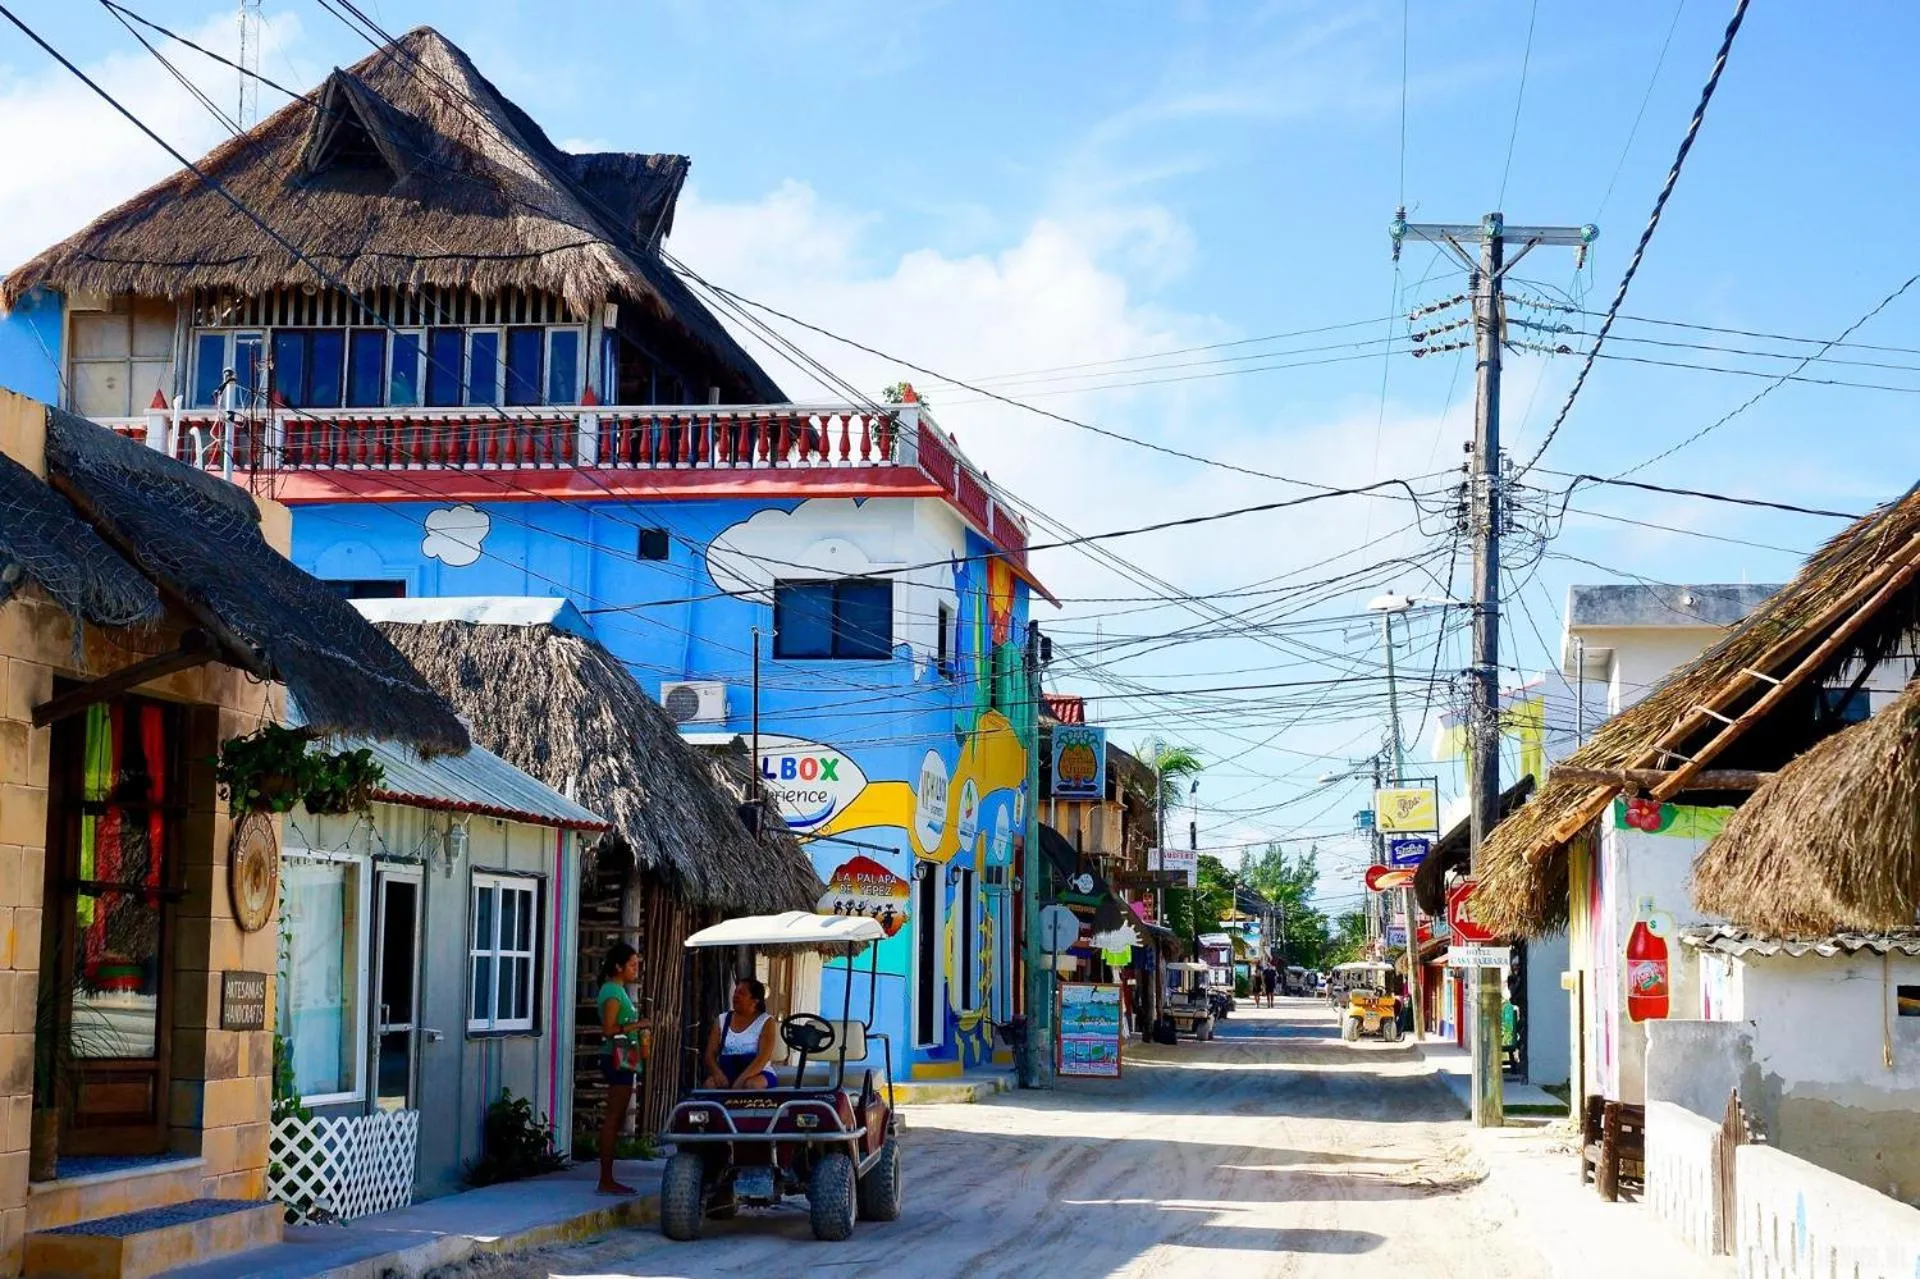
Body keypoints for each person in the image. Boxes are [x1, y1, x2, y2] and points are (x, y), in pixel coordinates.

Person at [595, 942, 649, 1196]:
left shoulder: (618, 990)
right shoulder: (613, 993)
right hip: (617, 1059)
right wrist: (638, 1026)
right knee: (613, 1120)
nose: (635, 968)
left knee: (614, 1119)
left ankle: (608, 1177)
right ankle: (606, 1179)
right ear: (618, 966)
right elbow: (608, 1030)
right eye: (631, 964)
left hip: (625, 1058)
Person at [703, 977, 778, 1090]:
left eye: (741, 993)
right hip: (727, 1073)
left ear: (755, 1001)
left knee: (752, 1085)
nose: (735, 996)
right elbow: (709, 1055)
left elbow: (763, 1058)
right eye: (735, 992)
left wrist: (741, 1080)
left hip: (757, 1073)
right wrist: (717, 1073)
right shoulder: (722, 1020)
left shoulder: (766, 1021)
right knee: (710, 1084)